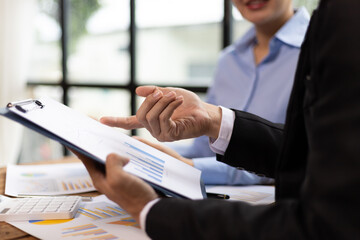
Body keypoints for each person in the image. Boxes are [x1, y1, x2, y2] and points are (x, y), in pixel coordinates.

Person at [75, 0, 360, 239]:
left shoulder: (337, 35)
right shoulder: (229, 60)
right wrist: (150, 150)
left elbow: (319, 189)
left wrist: (174, 176)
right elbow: (296, 148)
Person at [167, 0, 310, 185]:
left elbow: (303, 156)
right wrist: (149, 155)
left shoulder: (323, 51)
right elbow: (203, 151)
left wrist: (187, 166)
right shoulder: (228, 60)